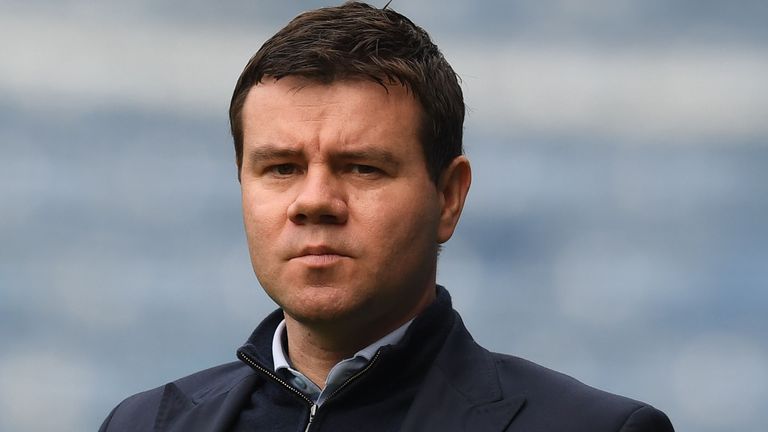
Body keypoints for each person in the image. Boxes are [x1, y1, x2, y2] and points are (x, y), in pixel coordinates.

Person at [99, 2, 674, 431]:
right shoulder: (140, 424)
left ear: (448, 196)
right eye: (280, 168)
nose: (314, 200)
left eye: (362, 168)